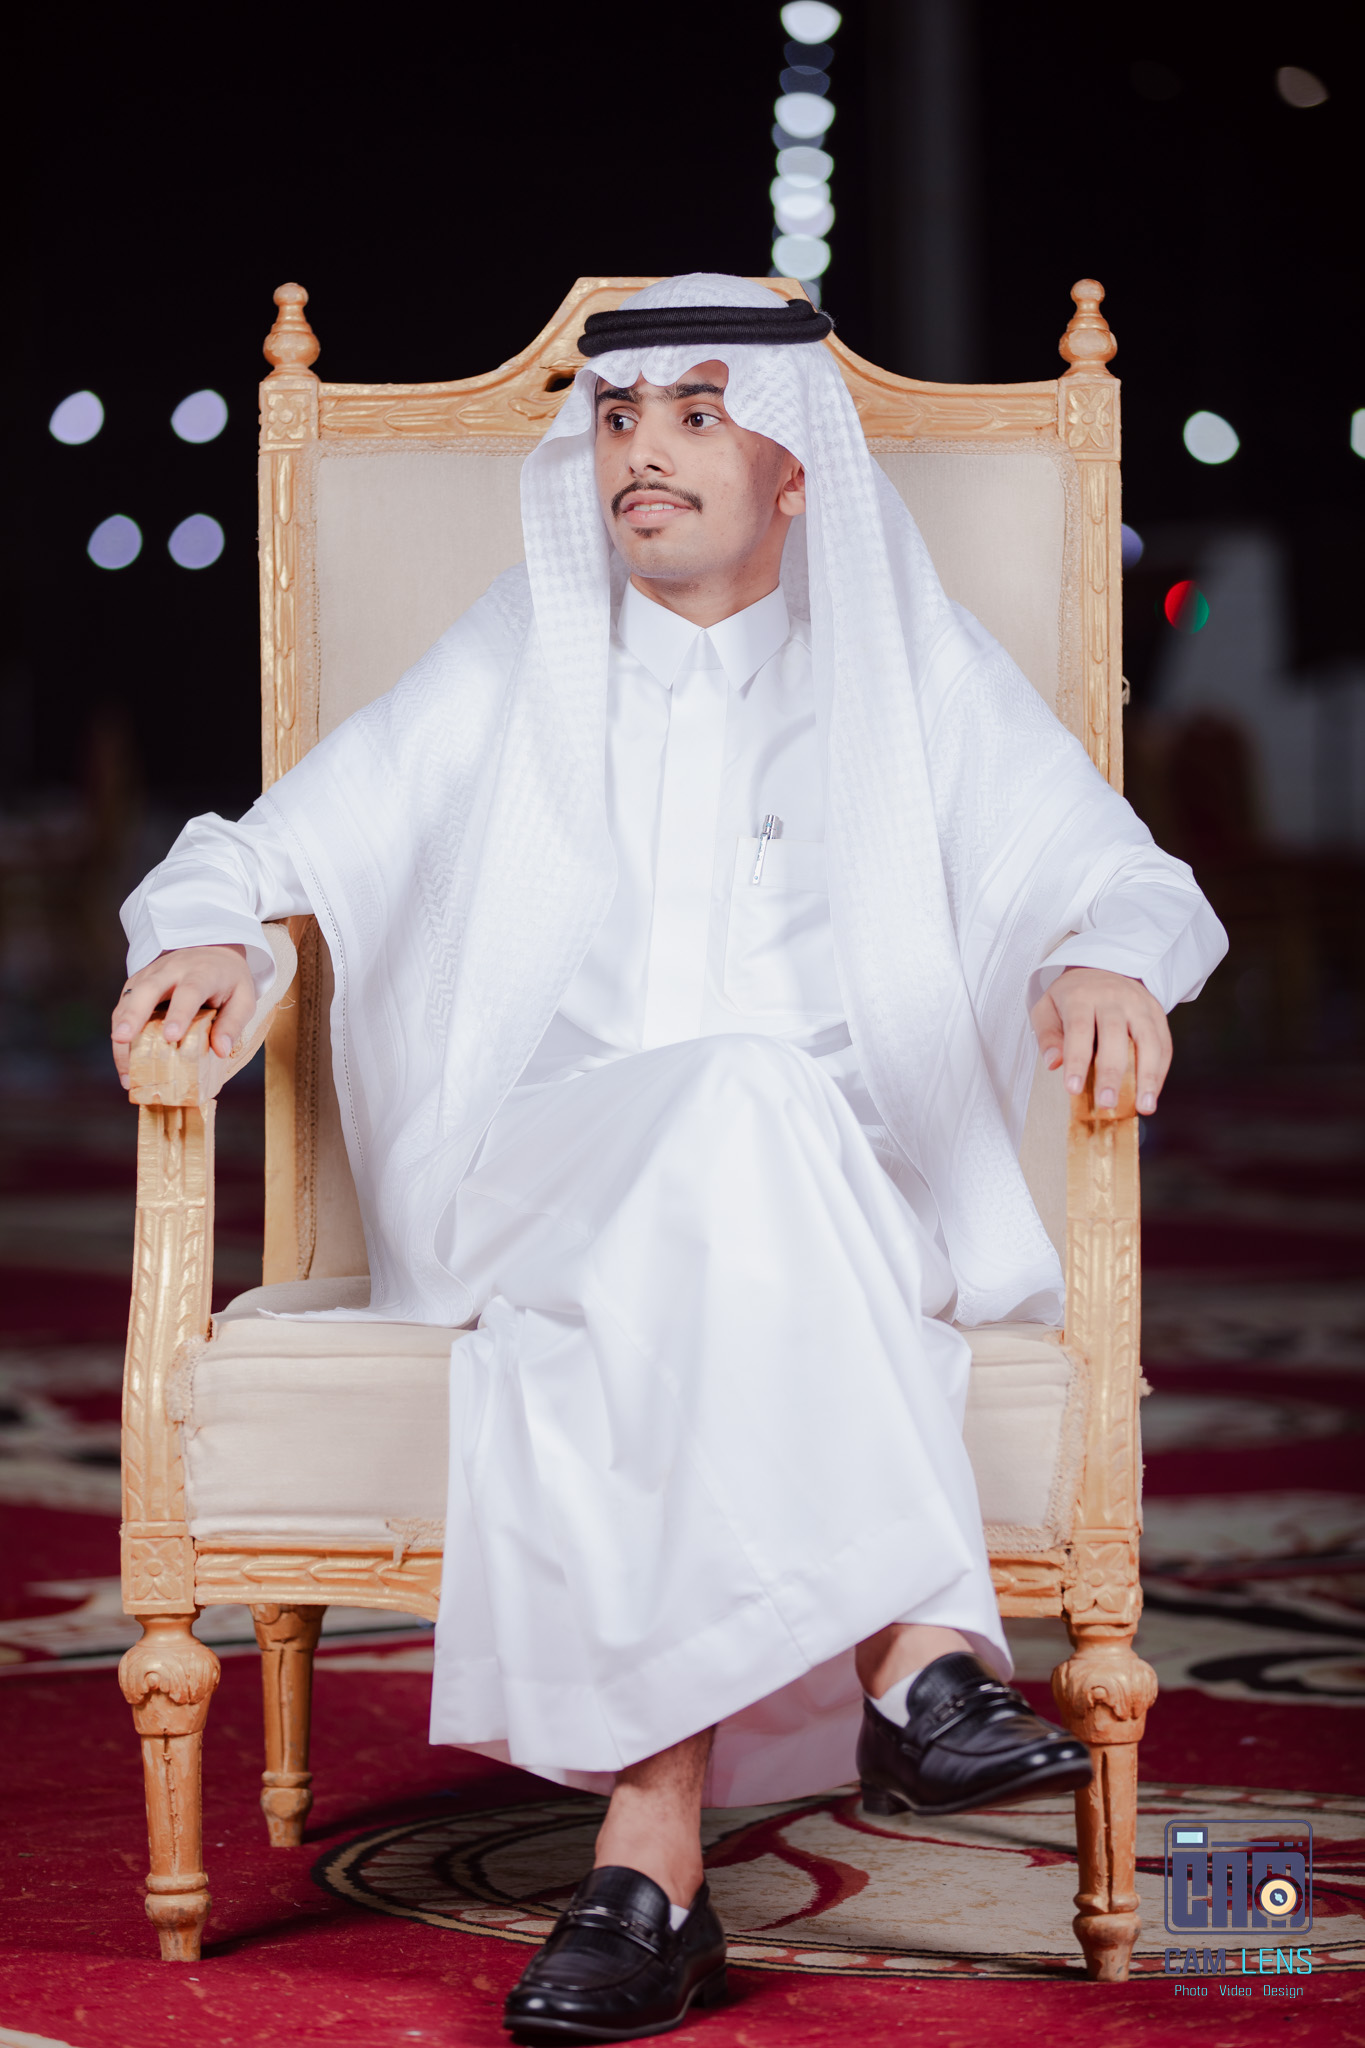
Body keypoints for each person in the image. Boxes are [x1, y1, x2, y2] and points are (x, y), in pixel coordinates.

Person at [114, 274, 1225, 2041]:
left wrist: (1106, 957)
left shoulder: (904, 664)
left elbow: (1131, 880)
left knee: (728, 1158)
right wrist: (205, 935)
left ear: (796, 468)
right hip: (534, 1175)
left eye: (699, 416)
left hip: (828, 1209)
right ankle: (917, 1648)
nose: (644, 452)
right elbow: (253, 854)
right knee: (734, 1101)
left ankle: (650, 1869)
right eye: (621, 417)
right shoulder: (525, 646)